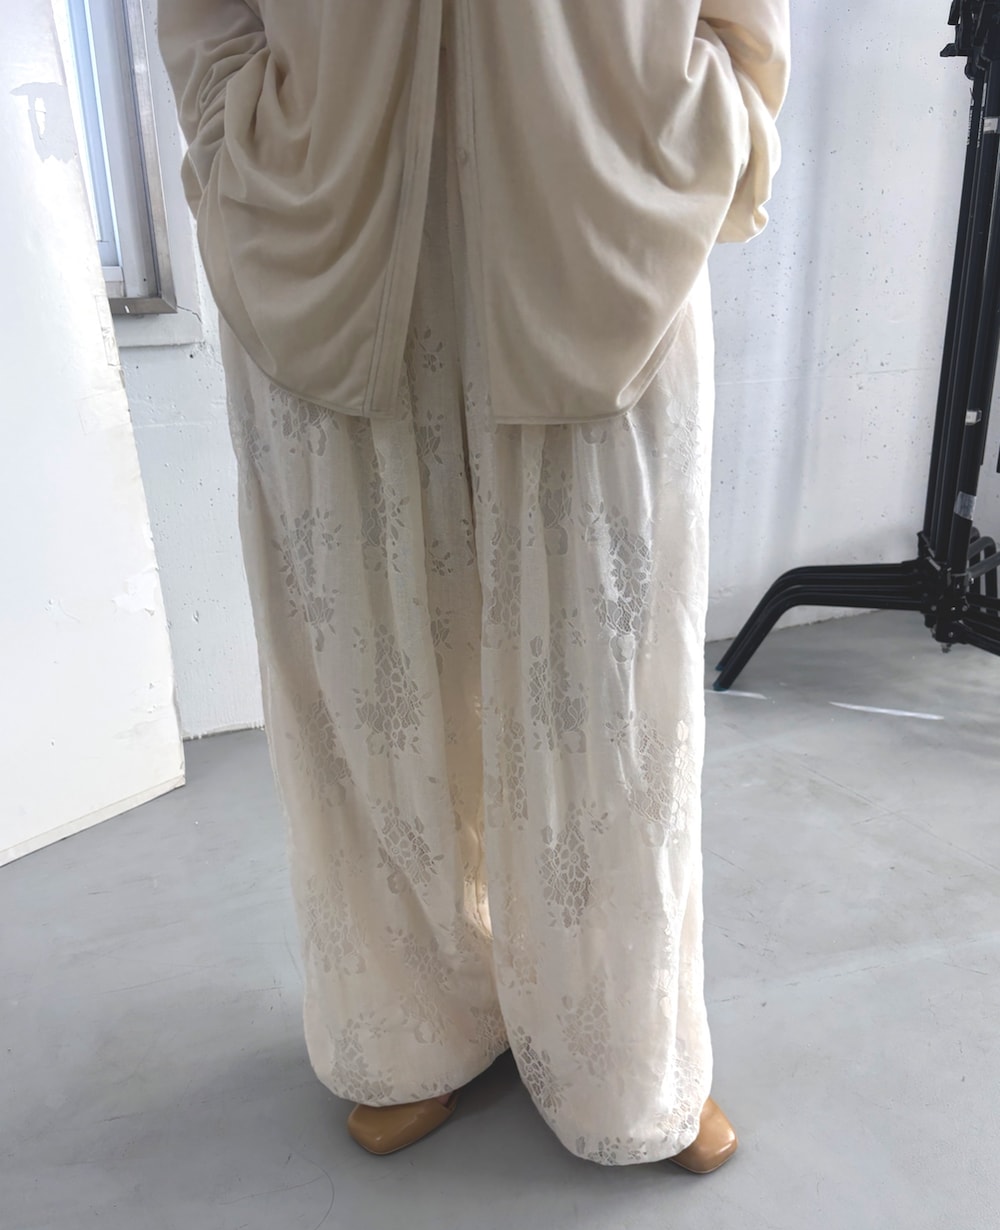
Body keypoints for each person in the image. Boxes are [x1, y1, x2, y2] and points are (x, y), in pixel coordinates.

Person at [159, 0, 790, 1171]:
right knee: (369, 668)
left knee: (606, 680)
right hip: (324, 198)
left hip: (598, 193)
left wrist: (702, 112)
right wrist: (231, 125)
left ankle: (620, 1047)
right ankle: (405, 1024)